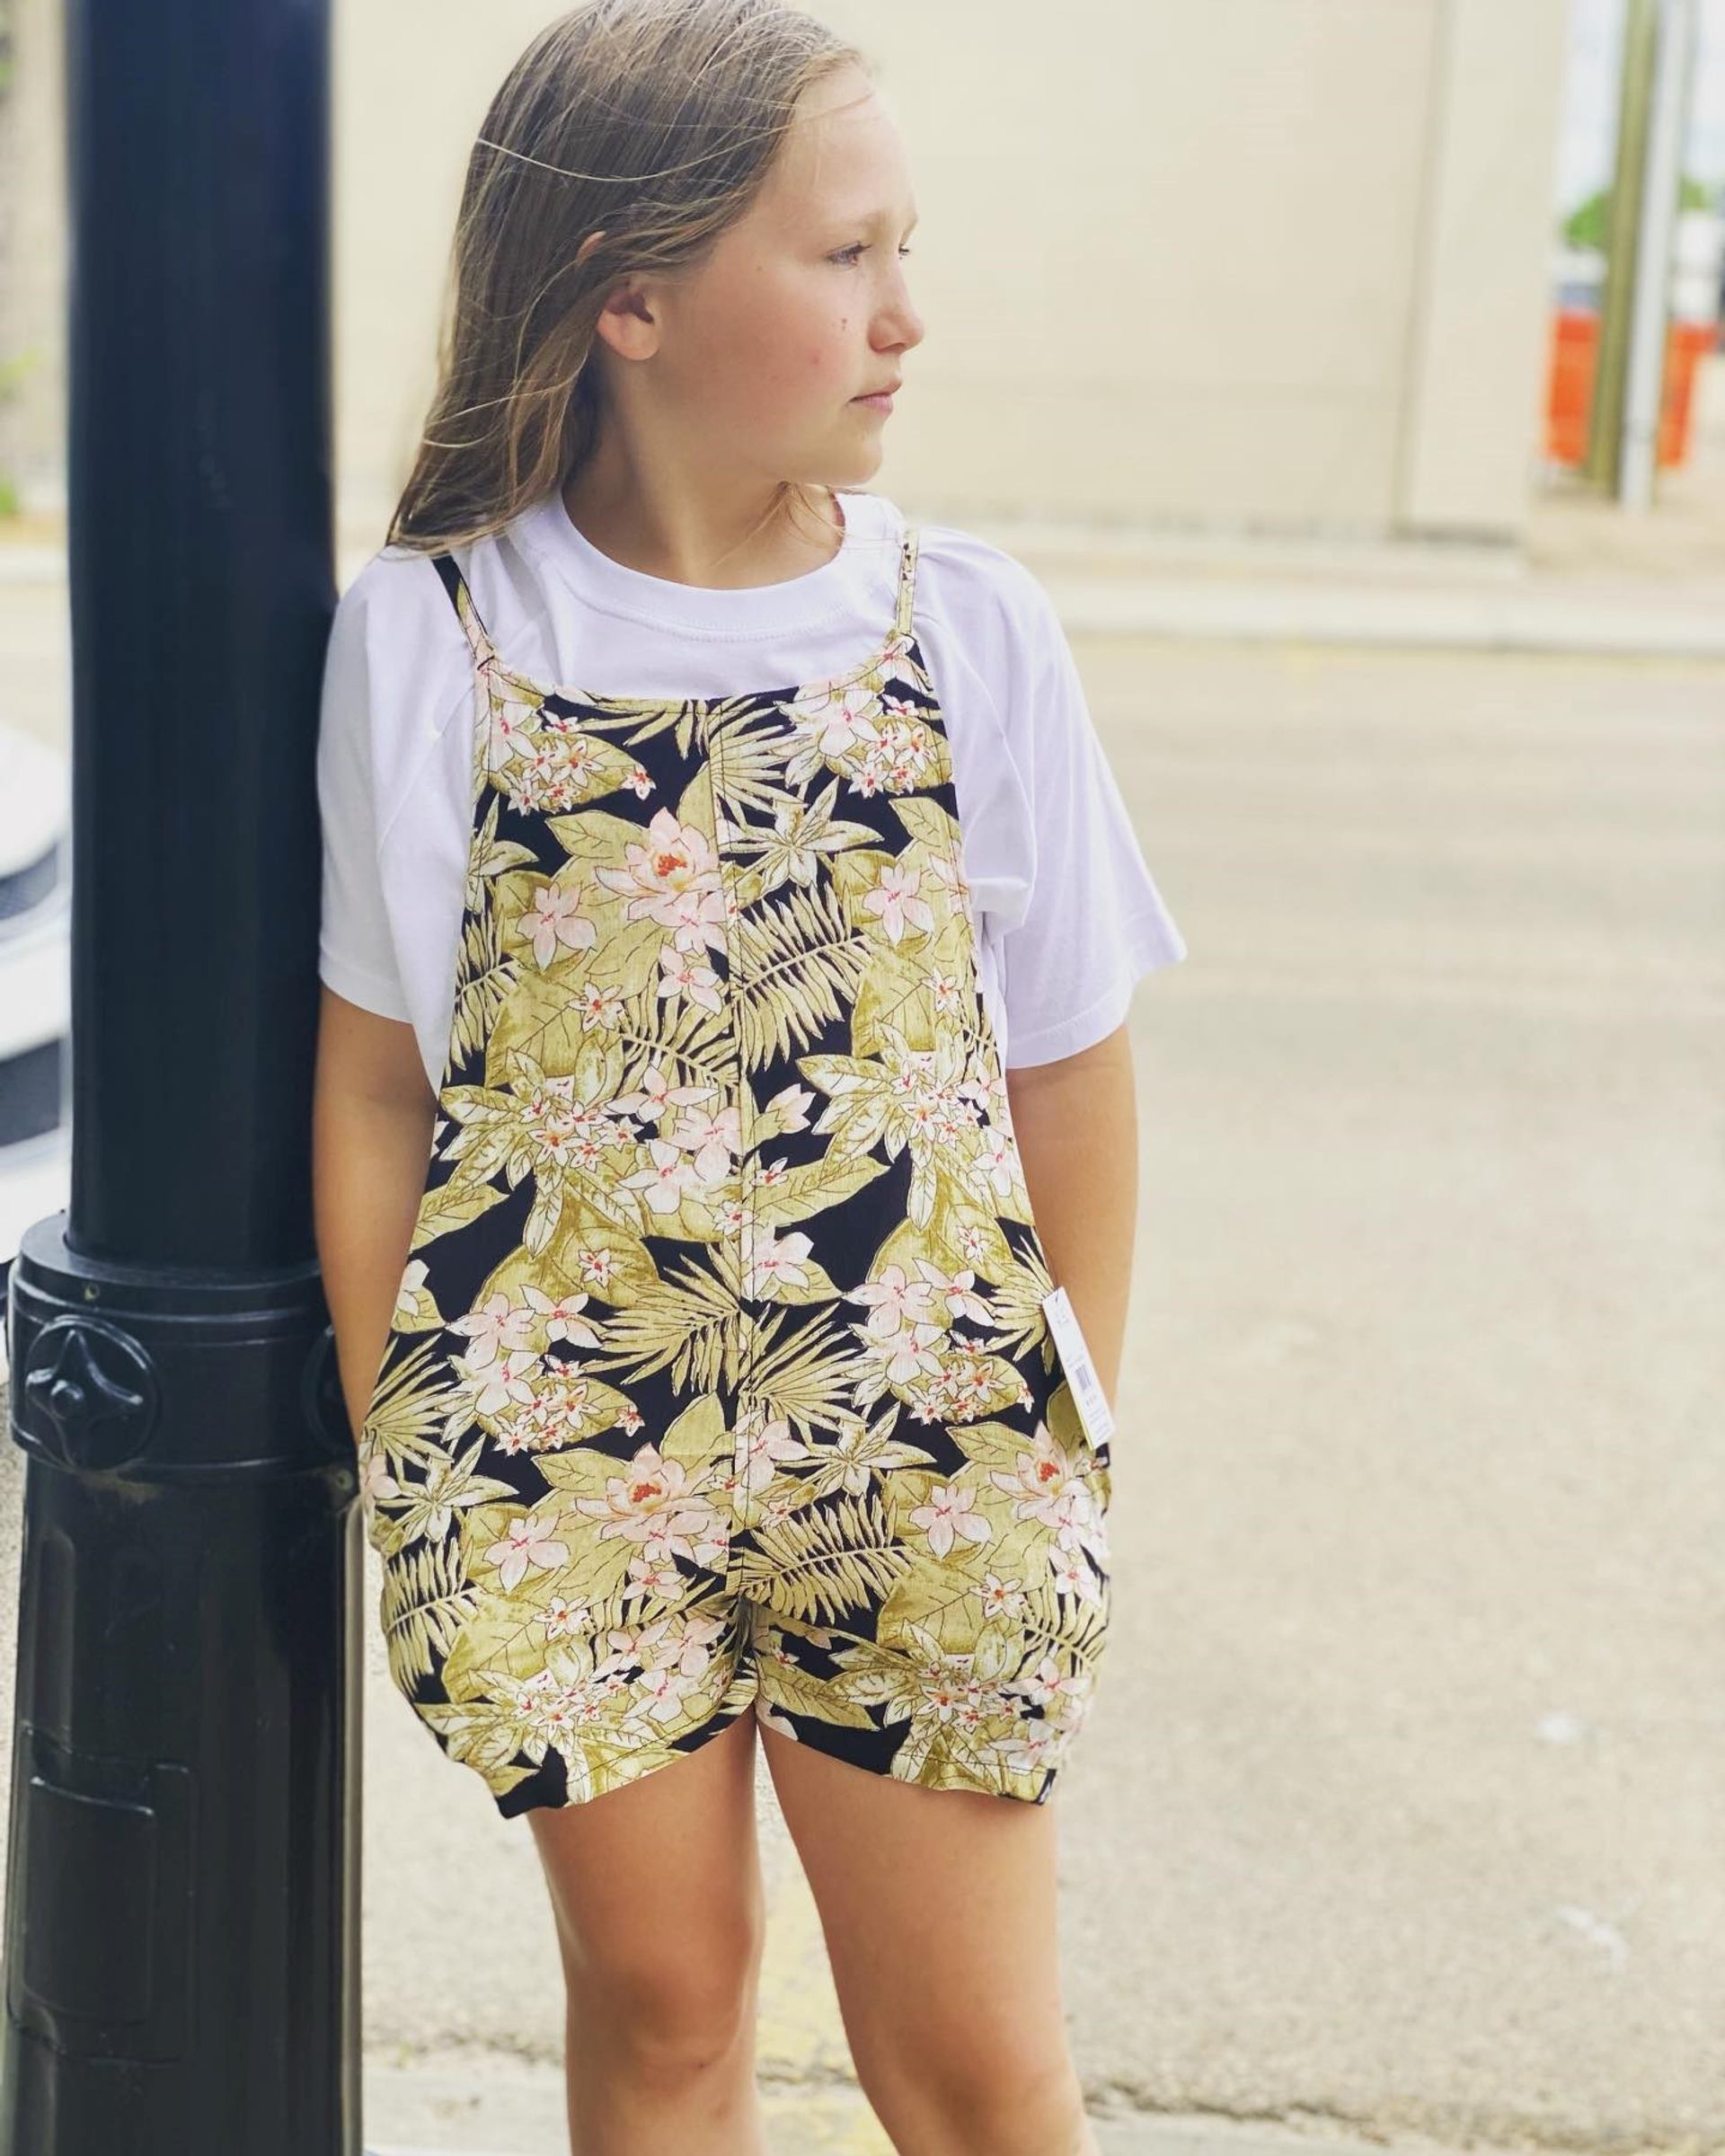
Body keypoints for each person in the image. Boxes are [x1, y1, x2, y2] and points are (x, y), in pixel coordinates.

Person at [312, 4, 1187, 2150]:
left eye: (906, 249)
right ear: (629, 297)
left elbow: (1071, 1066)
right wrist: (413, 1447)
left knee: (972, 2072)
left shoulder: (965, 627)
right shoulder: (436, 632)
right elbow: (377, 1086)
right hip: (559, 1445)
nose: (906, 314)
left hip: (928, 1441)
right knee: (666, 2006)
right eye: (843, 255)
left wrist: (1057, 1428)